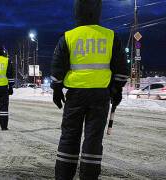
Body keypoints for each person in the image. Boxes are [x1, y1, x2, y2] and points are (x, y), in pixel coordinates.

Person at [51, 0, 129, 179]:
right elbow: (121, 69)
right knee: (93, 140)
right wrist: (117, 89)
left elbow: (57, 66)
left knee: (69, 137)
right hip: (101, 96)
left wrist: (56, 88)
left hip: (75, 95)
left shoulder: (69, 36)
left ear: (77, 12)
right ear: (97, 11)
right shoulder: (110, 36)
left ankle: (63, 176)